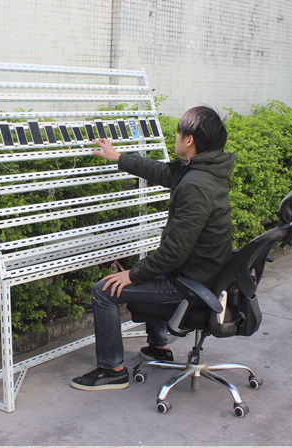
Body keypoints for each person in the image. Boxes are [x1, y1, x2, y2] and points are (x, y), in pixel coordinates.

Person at [70, 106, 235, 390]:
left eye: (179, 132)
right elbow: (162, 172)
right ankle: (159, 348)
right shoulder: (204, 170)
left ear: (189, 140)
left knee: (104, 291)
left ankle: (112, 370)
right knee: (152, 270)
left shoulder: (195, 186)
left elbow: (173, 254)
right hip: (201, 272)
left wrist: (132, 275)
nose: (176, 136)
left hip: (190, 283)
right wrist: (119, 157)